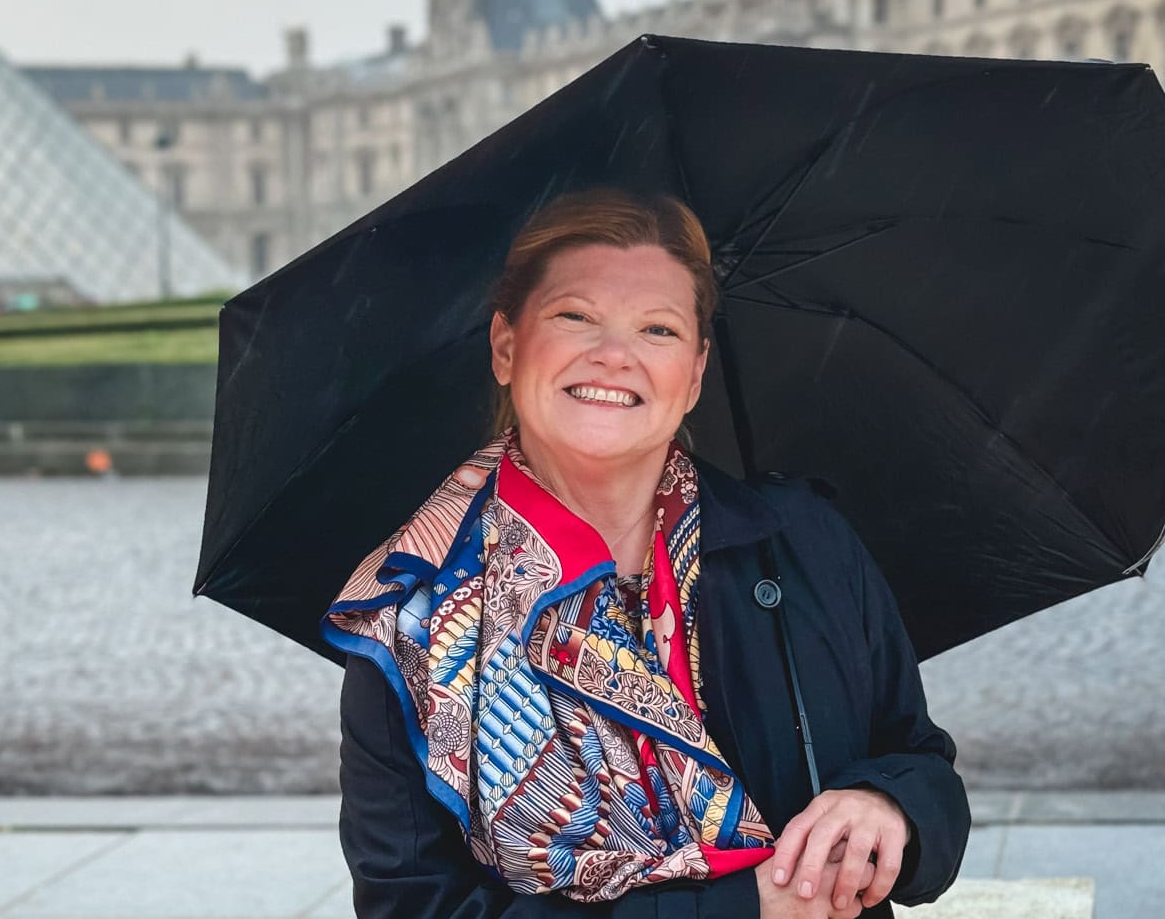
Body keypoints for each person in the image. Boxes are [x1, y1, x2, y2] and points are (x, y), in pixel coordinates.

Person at [322, 189, 969, 918]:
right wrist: (738, 911)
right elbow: (411, 908)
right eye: (575, 317)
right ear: (506, 346)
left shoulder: (801, 541)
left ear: (693, 374)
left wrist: (890, 807)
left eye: (656, 330)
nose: (614, 355)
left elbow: (921, 762)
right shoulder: (413, 620)